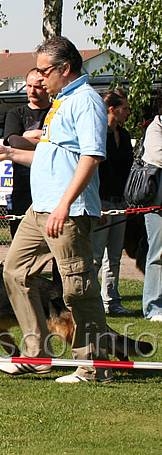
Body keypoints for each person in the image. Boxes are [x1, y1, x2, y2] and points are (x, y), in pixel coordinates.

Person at [0, 36, 114, 383]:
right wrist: (10, 154)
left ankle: (94, 367)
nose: (39, 78)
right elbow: (51, 155)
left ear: (64, 68)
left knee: (77, 289)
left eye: (44, 71)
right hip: (39, 210)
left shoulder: (86, 101)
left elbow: (91, 156)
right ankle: (36, 355)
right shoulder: (61, 102)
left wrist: (65, 204)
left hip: (66, 213)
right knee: (13, 272)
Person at [92, 89, 134, 315]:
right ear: (112, 109)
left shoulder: (125, 135)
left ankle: (111, 300)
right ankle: (92, 302)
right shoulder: (98, 134)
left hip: (121, 203)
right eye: (124, 108)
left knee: (115, 256)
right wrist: (97, 203)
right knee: (96, 257)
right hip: (101, 203)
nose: (128, 112)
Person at [3, 68, 51, 237]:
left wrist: (35, 134)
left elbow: (60, 142)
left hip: (51, 187)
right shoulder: (16, 113)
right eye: (29, 86)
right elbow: (15, 142)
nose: (32, 91)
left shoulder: (57, 112)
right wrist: (47, 138)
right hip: (24, 187)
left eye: (37, 86)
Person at [141, 111, 162, 322]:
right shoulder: (155, 128)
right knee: (157, 254)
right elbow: (159, 158)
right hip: (157, 205)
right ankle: (153, 306)